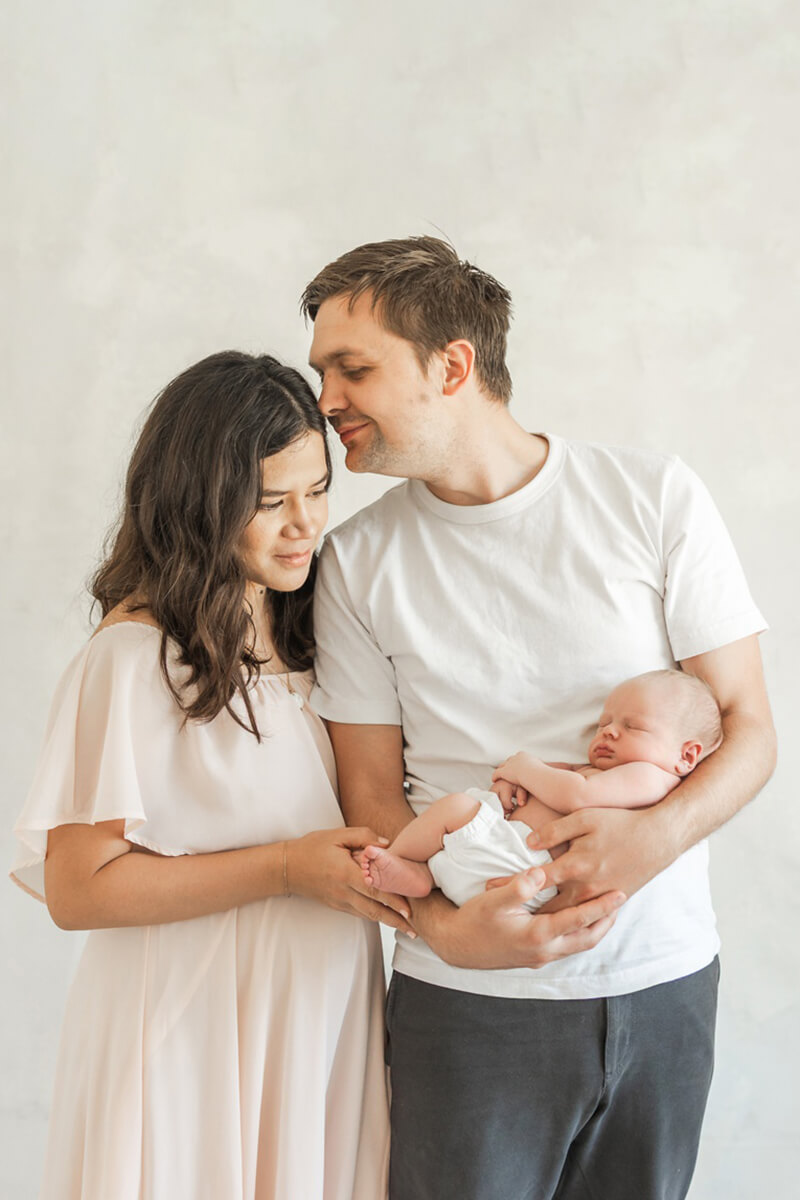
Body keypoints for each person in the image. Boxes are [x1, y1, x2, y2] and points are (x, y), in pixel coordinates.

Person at [300, 237, 777, 1200]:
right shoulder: (353, 562)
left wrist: (654, 840)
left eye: (353, 368)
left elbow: (749, 726)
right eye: (322, 374)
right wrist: (444, 931)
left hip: (665, 985)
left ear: (453, 366)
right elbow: (370, 798)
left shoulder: (651, 498)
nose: (326, 401)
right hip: (465, 1006)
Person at [10, 351, 400, 1200]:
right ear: (200, 504)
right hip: (188, 1030)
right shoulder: (132, 658)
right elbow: (80, 890)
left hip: (317, 1028)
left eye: (317, 490)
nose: (306, 524)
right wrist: (289, 869)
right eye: (270, 503)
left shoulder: (325, 641)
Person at [360, 669, 722, 907]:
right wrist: (511, 776)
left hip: (526, 862)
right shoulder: (594, 770)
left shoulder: (651, 776)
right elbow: (556, 775)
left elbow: (576, 794)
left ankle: (407, 862)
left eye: (633, 726)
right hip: (505, 849)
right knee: (454, 813)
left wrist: (524, 766)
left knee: (456, 807)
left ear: (686, 754)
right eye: (604, 723)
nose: (609, 732)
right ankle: (419, 872)